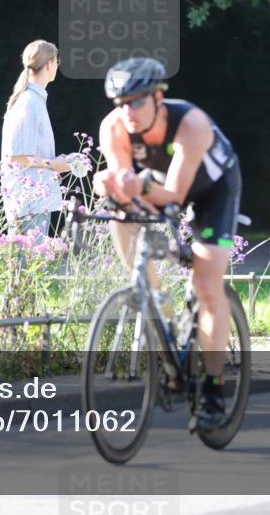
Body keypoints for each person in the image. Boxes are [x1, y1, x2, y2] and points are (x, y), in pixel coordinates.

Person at [92, 57, 241, 432]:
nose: (128, 111)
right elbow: (123, 184)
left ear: (159, 97)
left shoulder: (191, 123)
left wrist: (133, 184)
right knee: (121, 215)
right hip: (159, 183)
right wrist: (110, 185)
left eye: (137, 101)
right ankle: (157, 301)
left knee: (207, 286)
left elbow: (174, 192)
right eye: (121, 103)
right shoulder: (114, 127)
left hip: (211, 190)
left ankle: (211, 389)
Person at [0, 40, 71, 237]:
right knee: (25, 266)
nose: (57, 66)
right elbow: (17, 156)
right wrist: (54, 164)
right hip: (27, 203)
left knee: (31, 265)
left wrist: (58, 161)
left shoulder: (33, 99)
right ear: (49, 65)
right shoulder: (29, 102)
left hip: (34, 201)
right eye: (57, 61)